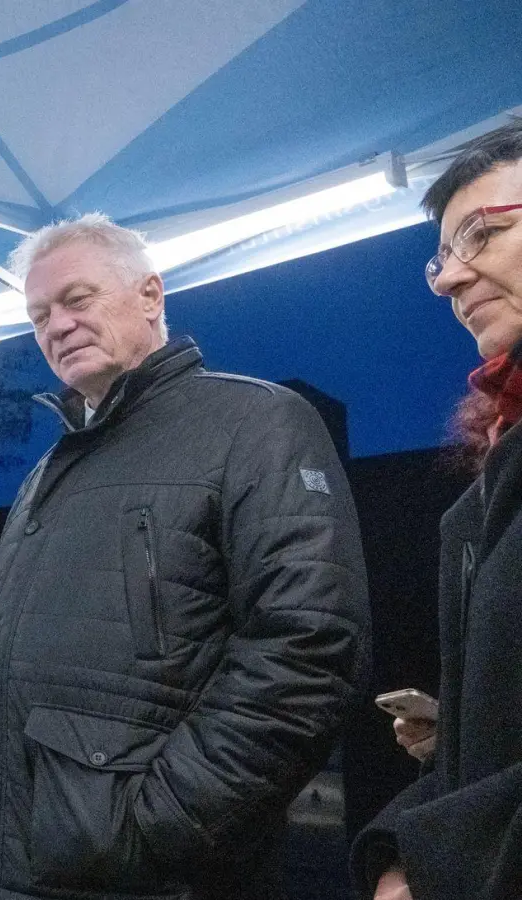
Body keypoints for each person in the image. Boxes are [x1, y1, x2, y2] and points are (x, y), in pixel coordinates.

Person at [0, 214, 370, 900]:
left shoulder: (256, 422)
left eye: (78, 299)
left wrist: (156, 824)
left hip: (147, 876)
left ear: (152, 297)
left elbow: (308, 647)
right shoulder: (45, 472)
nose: (57, 326)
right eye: (39, 314)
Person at [352, 119, 522, 900]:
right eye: (443, 257)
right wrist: (459, 738)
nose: (452, 280)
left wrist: (429, 853)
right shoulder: (493, 466)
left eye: (482, 235)